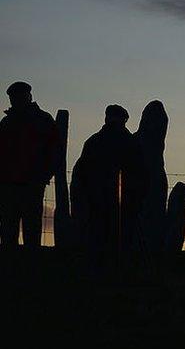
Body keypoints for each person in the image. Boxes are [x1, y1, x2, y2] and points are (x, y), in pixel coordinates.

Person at [71, 105, 146, 268]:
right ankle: (116, 270)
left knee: (100, 237)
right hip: (117, 201)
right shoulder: (131, 143)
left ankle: (101, 270)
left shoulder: (94, 142)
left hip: (101, 200)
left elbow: (82, 173)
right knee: (119, 238)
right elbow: (141, 173)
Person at [0, 82, 58, 249]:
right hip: (10, 185)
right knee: (10, 230)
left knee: (29, 229)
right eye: (13, 98)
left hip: (29, 184)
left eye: (18, 97)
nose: (14, 100)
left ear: (28, 97)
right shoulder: (7, 123)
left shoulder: (41, 121)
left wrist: (43, 176)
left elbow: (54, 151)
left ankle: (26, 267)